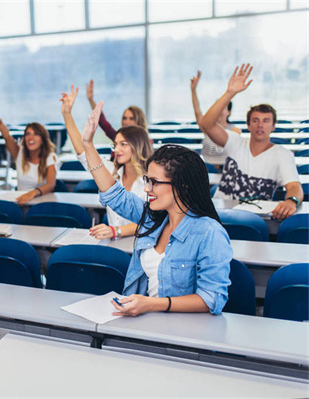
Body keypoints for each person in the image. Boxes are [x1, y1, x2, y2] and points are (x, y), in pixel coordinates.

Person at [82, 102, 232, 316]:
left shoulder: (210, 233)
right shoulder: (154, 219)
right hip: (144, 321)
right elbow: (114, 195)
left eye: (155, 182)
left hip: (182, 332)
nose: (147, 188)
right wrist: (88, 143)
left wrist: (152, 304)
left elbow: (212, 298)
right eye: (147, 180)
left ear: (182, 186)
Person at [199, 64, 303, 220]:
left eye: (266, 121)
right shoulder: (234, 141)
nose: (260, 125)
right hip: (219, 214)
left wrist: (292, 200)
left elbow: (294, 186)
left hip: (255, 217)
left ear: (273, 126)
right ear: (248, 125)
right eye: (255, 120)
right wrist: (230, 92)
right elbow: (206, 124)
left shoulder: (282, 154)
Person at [60, 85, 153, 240]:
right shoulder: (111, 170)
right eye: (115, 144)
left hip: (143, 244)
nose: (117, 149)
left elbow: (154, 219)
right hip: (114, 243)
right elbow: (83, 152)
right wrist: (67, 114)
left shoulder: (152, 179)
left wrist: (116, 230)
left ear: (138, 146)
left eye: (123, 144)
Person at [0, 95, 58, 204]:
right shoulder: (19, 153)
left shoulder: (50, 157)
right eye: (27, 134)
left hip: (42, 201)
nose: (30, 138)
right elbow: (7, 135)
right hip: (21, 200)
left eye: (36, 134)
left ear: (43, 139)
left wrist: (33, 193)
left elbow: (50, 185)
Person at [190, 70, 241, 167]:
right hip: (207, 169)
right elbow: (197, 111)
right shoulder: (207, 127)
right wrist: (193, 90)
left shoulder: (235, 130)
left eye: (223, 108)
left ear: (229, 112)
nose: (220, 112)